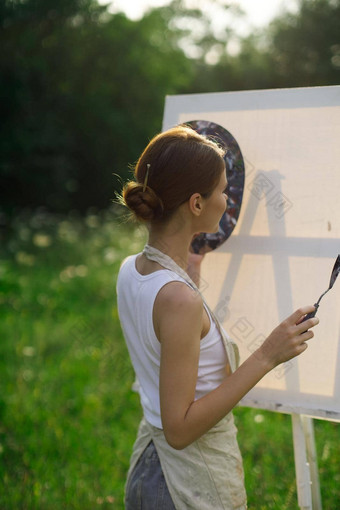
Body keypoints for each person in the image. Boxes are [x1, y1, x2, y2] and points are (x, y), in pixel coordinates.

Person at [116, 125, 319, 509]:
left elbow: (165, 331)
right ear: (196, 204)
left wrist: (191, 264)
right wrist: (267, 356)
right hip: (182, 484)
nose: (227, 200)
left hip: (149, 471)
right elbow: (179, 430)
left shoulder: (133, 269)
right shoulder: (178, 301)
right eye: (223, 190)